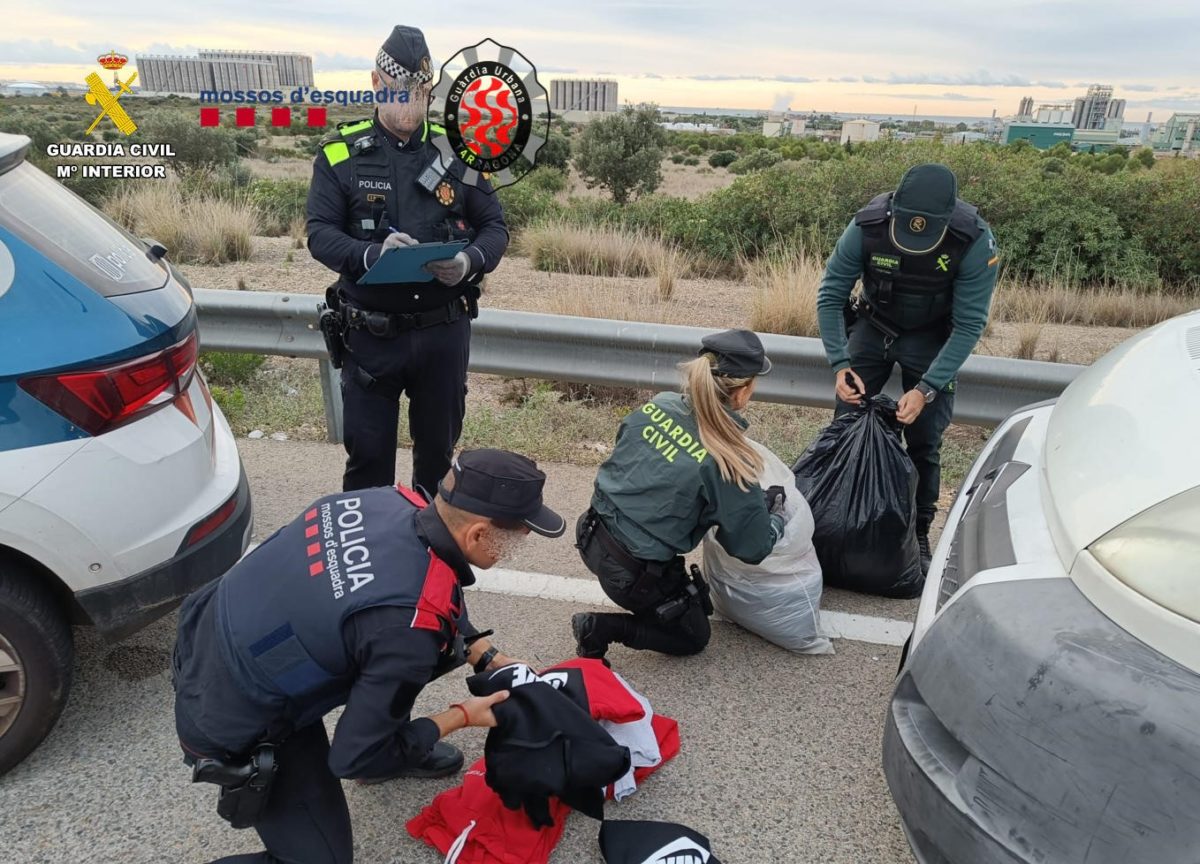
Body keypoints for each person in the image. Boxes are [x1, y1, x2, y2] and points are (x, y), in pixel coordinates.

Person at [171, 449, 565, 864]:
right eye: (517, 539)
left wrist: (481, 651)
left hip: (209, 629)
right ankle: (386, 747)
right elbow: (349, 757)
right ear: (479, 535)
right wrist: (463, 715)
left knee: (421, 642)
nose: (513, 551)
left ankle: (389, 739)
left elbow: (429, 579)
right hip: (226, 712)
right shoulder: (408, 629)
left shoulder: (385, 501)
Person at [307, 25, 509, 496]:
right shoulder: (340, 154)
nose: (409, 105)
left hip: (442, 334)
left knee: (438, 464)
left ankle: (430, 560)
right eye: (399, 91)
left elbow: (495, 228)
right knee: (368, 464)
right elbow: (320, 235)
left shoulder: (458, 152)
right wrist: (371, 254)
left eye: (419, 93)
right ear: (377, 83)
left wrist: (469, 261)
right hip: (371, 338)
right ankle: (371, 560)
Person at [816, 163, 999, 574]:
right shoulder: (867, 227)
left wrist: (928, 388)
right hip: (874, 325)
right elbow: (830, 296)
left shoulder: (972, 240)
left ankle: (917, 532)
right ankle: (835, 519)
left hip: (932, 339)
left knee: (924, 442)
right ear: (895, 208)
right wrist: (840, 363)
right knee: (846, 429)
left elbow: (970, 324)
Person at [571, 329, 789, 659]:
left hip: (590, 535)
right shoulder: (729, 459)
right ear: (742, 393)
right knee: (693, 636)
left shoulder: (660, 404)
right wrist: (773, 520)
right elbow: (752, 547)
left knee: (689, 598)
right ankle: (602, 628)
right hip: (631, 577)